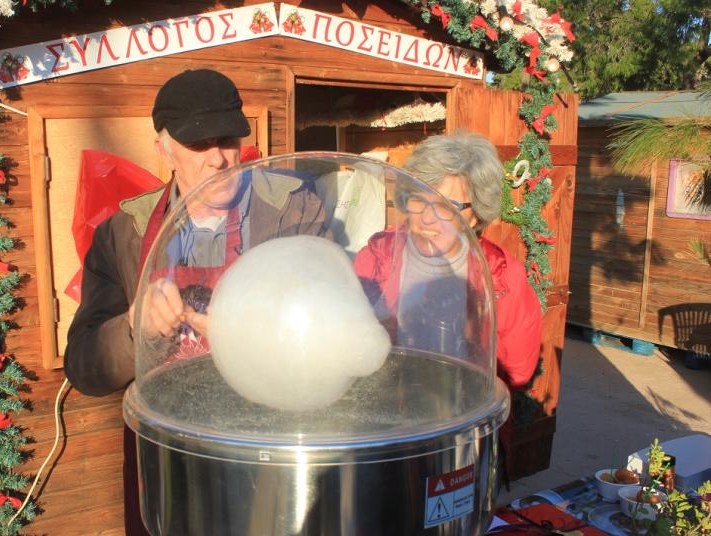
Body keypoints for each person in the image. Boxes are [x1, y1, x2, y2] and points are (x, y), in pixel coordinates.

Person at [63, 69, 325, 534]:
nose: (219, 159)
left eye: (228, 140)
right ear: (164, 148)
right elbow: (84, 368)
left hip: (266, 443)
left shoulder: (295, 210)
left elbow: (326, 336)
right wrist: (135, 328)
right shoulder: (124, 232)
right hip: (168, 455)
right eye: (199, 145)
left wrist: (250, 332)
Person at [353, 132, 542, 483]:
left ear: (475, 216)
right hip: (383, 431)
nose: (428, 217)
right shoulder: (377, 257)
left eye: (446, 205)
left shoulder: (501, 276)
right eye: (418, 199)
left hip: (462, 436)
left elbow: (517, 370)